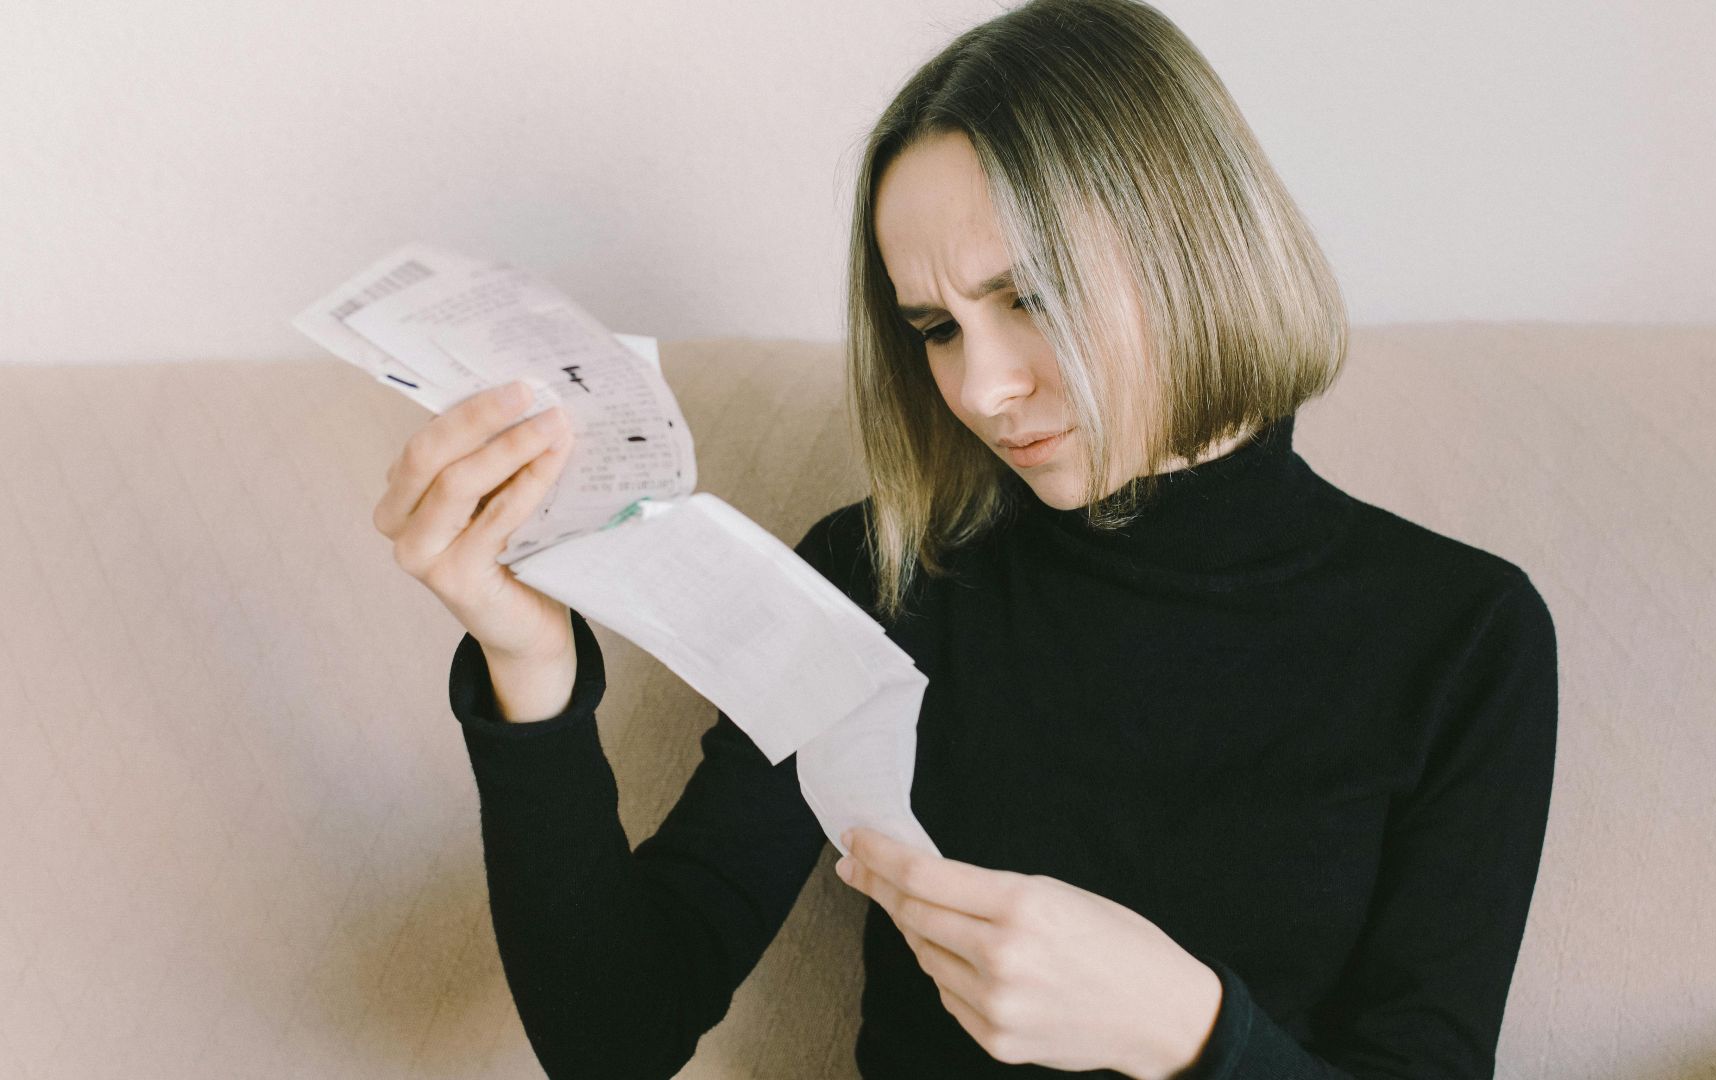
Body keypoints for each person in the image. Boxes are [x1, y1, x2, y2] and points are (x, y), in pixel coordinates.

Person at [373, 0, 1559, 1076]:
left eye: (1031, 299)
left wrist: (1190, 1030)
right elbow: (614, 1034)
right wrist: (530, 672)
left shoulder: (1460, 636)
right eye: (935, 327)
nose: (983, 389)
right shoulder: (878, 578)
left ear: (1192, 248)